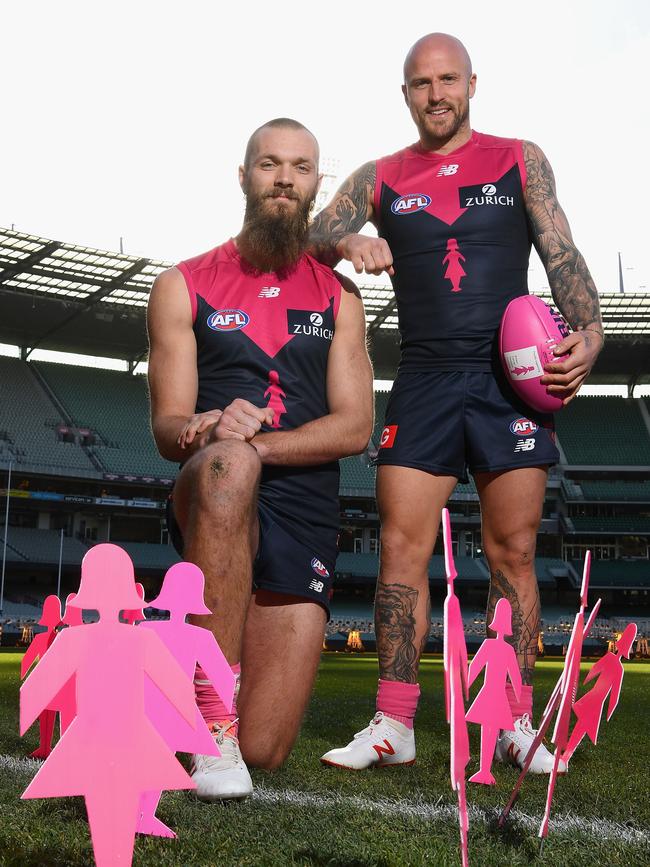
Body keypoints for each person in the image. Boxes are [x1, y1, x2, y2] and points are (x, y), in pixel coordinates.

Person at [313, 33, 603, 773]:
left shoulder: (518, 158)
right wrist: (348, 237)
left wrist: (592, 331)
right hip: (426, 377)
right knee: (402, 552)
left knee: (513, 552)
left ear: (473, 83)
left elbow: (559, 248)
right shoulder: (381, 176)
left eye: (447, 79)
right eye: (420, 83)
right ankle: (395, 723)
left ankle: (512, 723)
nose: (435, 94)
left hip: (510, 378)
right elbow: (315, 235)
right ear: (404, 93)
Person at [147, 117, 373, 800]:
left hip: (304, 504)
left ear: (315, 184)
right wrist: (208, 426)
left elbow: (356, 425)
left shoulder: (340, 296)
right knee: (229, 467)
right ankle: (210, 724)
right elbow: (165, 426)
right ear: (244, 177)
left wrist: (259, 442)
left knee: (266, 748)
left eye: (300, 167)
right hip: (214, 487)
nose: (284, 177)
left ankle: (169, 688)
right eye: (269, 164)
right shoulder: (183, 283)